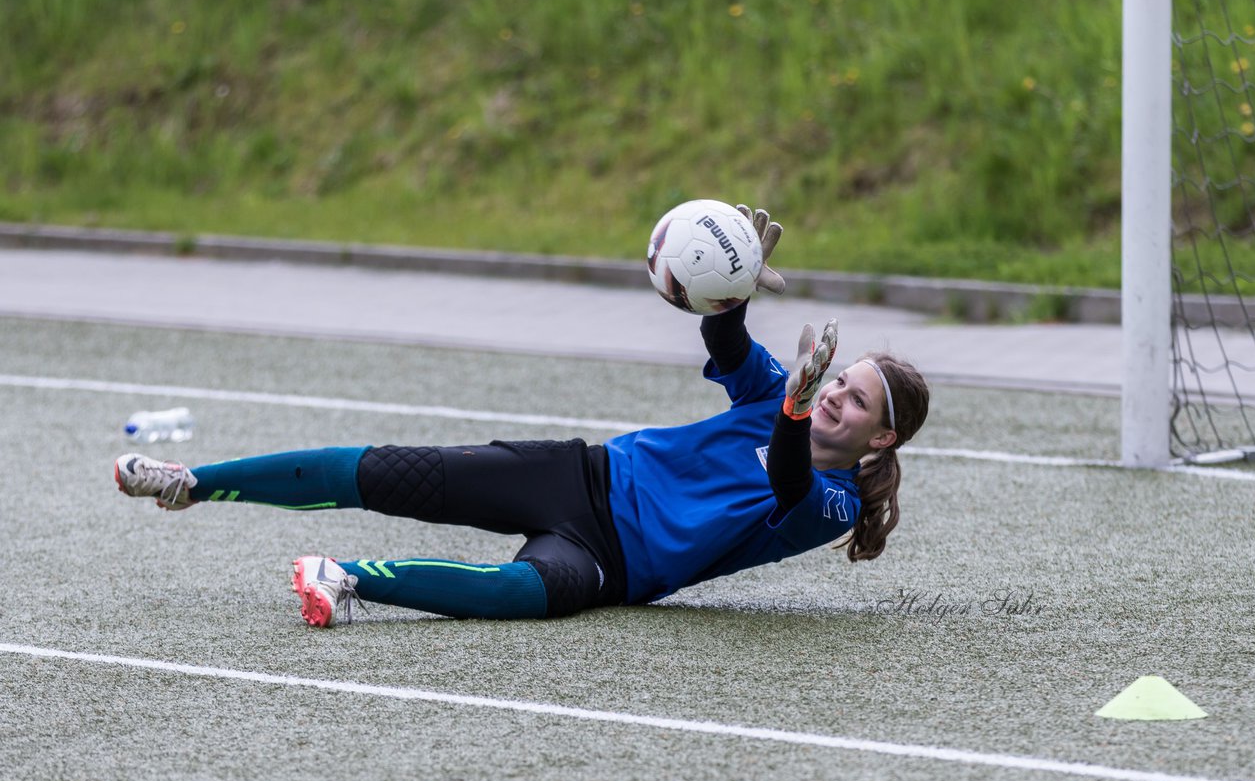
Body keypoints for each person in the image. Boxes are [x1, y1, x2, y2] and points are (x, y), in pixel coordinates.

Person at [113, 206, 930, 627]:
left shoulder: (838, 504)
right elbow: (723, 333)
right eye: (838, 379)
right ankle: (193, 482)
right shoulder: (774, 392)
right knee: (385, 471)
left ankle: (345, 577)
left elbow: (787, 477)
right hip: (580, 474)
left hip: (616, 569)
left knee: (518, 592)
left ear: (881, 437)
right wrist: (736, 283)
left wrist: (790, 410)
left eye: (853, 398)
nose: (832, 394)